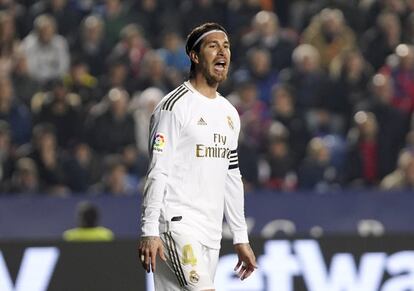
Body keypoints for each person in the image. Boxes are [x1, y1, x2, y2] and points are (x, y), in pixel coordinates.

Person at [138, 22, 257, 291]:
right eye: (213, 46)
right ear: (194, 55)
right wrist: (149, 229)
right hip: (177, 223)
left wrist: (240, 237)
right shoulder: (173, 107)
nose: (222, 52)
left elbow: (232, 176)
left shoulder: (228, 114)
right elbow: (158, 170)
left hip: (211, 232)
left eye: (226, 46)